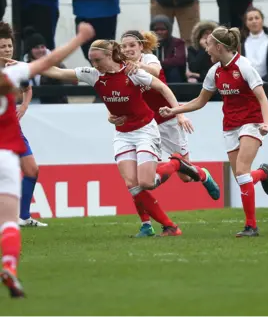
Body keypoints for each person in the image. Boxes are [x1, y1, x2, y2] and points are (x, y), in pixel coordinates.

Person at [40, 39, 213, 237]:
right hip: (123, 134)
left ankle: (176, 164)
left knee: (146, 182)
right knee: (132, 184)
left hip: (145, 130)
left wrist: (179, 112)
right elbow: (58, 72)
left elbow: (162, 87)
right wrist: (23, 67)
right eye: (91, 60)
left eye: (97, 60)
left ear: (108, 55)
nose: (94, 64)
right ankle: (170, 226)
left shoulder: (132, 73)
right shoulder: (93, 75)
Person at [0, 22, 95, 299]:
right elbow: (49, 61)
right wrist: (79, 38)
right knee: (7, 222)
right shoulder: (13, 72)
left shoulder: (11, 68)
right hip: (5, 156)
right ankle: (9, 266)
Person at [159, 26, 268, 238]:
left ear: (220, 47)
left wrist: (266, 123)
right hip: (230, 126)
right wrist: (175, 110)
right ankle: (263, 174)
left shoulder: (245, 66)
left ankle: (251, 227)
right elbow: (201, 101)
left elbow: (262, 98)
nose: (206, 50)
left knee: (241, 172)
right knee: (243, 177)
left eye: (209, 46)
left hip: (252, 122)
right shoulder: (215, 71)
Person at [119, 29, 220, 237]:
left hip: (166, 121)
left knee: (186, 177)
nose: (128, 49)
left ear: (141, 46)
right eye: (124, 46)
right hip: (143, 127)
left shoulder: (149, 59)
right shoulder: (120, 66)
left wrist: (179, 114)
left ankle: (200, 173)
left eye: (132, 45)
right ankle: (146, 224)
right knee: (136, 179)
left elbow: (156, 75)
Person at [0, 22, 47, 227]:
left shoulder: (16, 68)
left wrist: (24, 106)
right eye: (2, 46)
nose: (7, 49)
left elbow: (27, 89)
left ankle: (23, 217)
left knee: (31, 170)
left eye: (9, 46)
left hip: (12, 130)